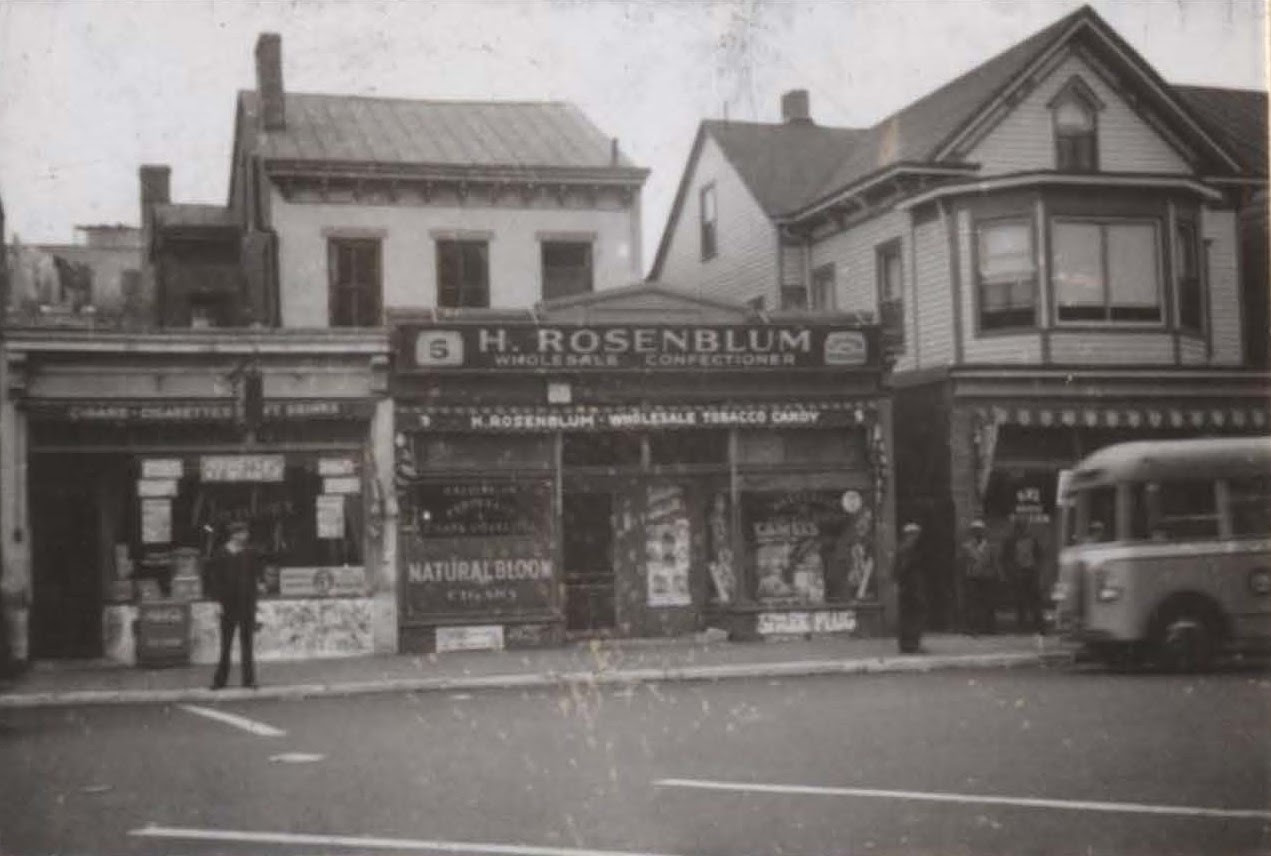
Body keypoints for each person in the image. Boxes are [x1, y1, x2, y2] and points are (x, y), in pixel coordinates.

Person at [209, 521, 262, 690]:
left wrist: (256, 603)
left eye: (246, 532)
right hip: (228, 604)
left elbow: (255, 577)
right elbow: (215, 579)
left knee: (247, 643)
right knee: (226, 644)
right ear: (234, 535)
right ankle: (220, 680)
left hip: (247, 602)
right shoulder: (221, 553)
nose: (246, 536)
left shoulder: (250, 552)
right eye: (242, 533)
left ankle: (249, 679)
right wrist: (217, 602)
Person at [959, 519, 1001, 635]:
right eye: (975, 530)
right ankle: (972, 628)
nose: (978, 533)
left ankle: (989, 628)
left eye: (980, 530)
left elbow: (994, 562)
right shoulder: (966, 547)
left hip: (987, 578)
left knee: (988, 603)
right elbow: (962, 563)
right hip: (972, 578)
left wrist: (997, 574)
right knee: (972, 603)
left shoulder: (990, 546)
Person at [1004, 517, 1044, 633]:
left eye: (1023, 527)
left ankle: (1039, 625)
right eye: (1020, 528)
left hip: (1030, 572)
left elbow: (1039, 555)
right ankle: (1022, 625)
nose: (1022, 530)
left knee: (1034, 600)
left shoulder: (1032, 540)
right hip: (1018, 573)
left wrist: (1037, 569)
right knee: (1020, 601)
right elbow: (1005, 558)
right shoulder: (1010, 541)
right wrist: (1010, 572)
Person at [894, 522, 925, 654]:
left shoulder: (901, 548)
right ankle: (911, 644)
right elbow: (903, 569)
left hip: (906, 587)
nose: (916, 537)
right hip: (911, 588)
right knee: (913, 616)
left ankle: (907, 644)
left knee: (907, 616)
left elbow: (895, 570)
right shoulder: (908, 549)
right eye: (914, 534)